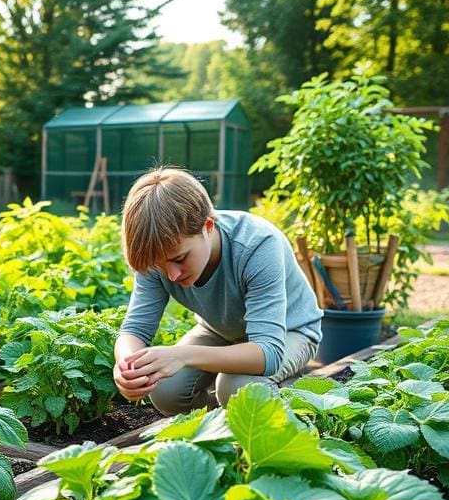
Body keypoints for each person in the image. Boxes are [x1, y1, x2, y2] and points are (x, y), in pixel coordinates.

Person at [113, 166, 322, 415]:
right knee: (166, 390)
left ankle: (289, 414)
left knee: (238, 387)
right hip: (220, 331)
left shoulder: (258, 245)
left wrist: (182, 356)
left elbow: (268, 352)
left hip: (290, 331)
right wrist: (128, 367)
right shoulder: (156, 252)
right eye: (160, 266)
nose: (172, 274)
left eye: (180, 259)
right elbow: (135, 329)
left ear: (208, 226)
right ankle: (221, 426)